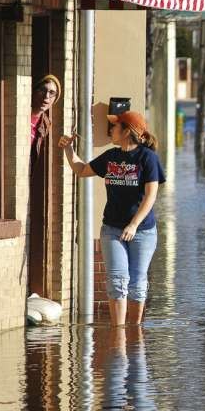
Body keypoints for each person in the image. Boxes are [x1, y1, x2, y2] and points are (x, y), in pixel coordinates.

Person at [58, 110, 166, 326]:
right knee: (117, 281)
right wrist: (68, 149)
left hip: (143, 231)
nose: (111, 130)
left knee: (136, 283)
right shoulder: (111, 156)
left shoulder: (148, 158)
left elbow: (151, 195)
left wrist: (134, 225)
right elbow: (81, 170)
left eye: (115, 127)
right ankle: (119, 335)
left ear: (127, 131)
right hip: (112, 229)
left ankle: (134, 333)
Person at [29, 75, 61, 296]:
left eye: (52, 94)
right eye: (43, 90)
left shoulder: (45, 123)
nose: (46, 97)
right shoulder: (22, 115)